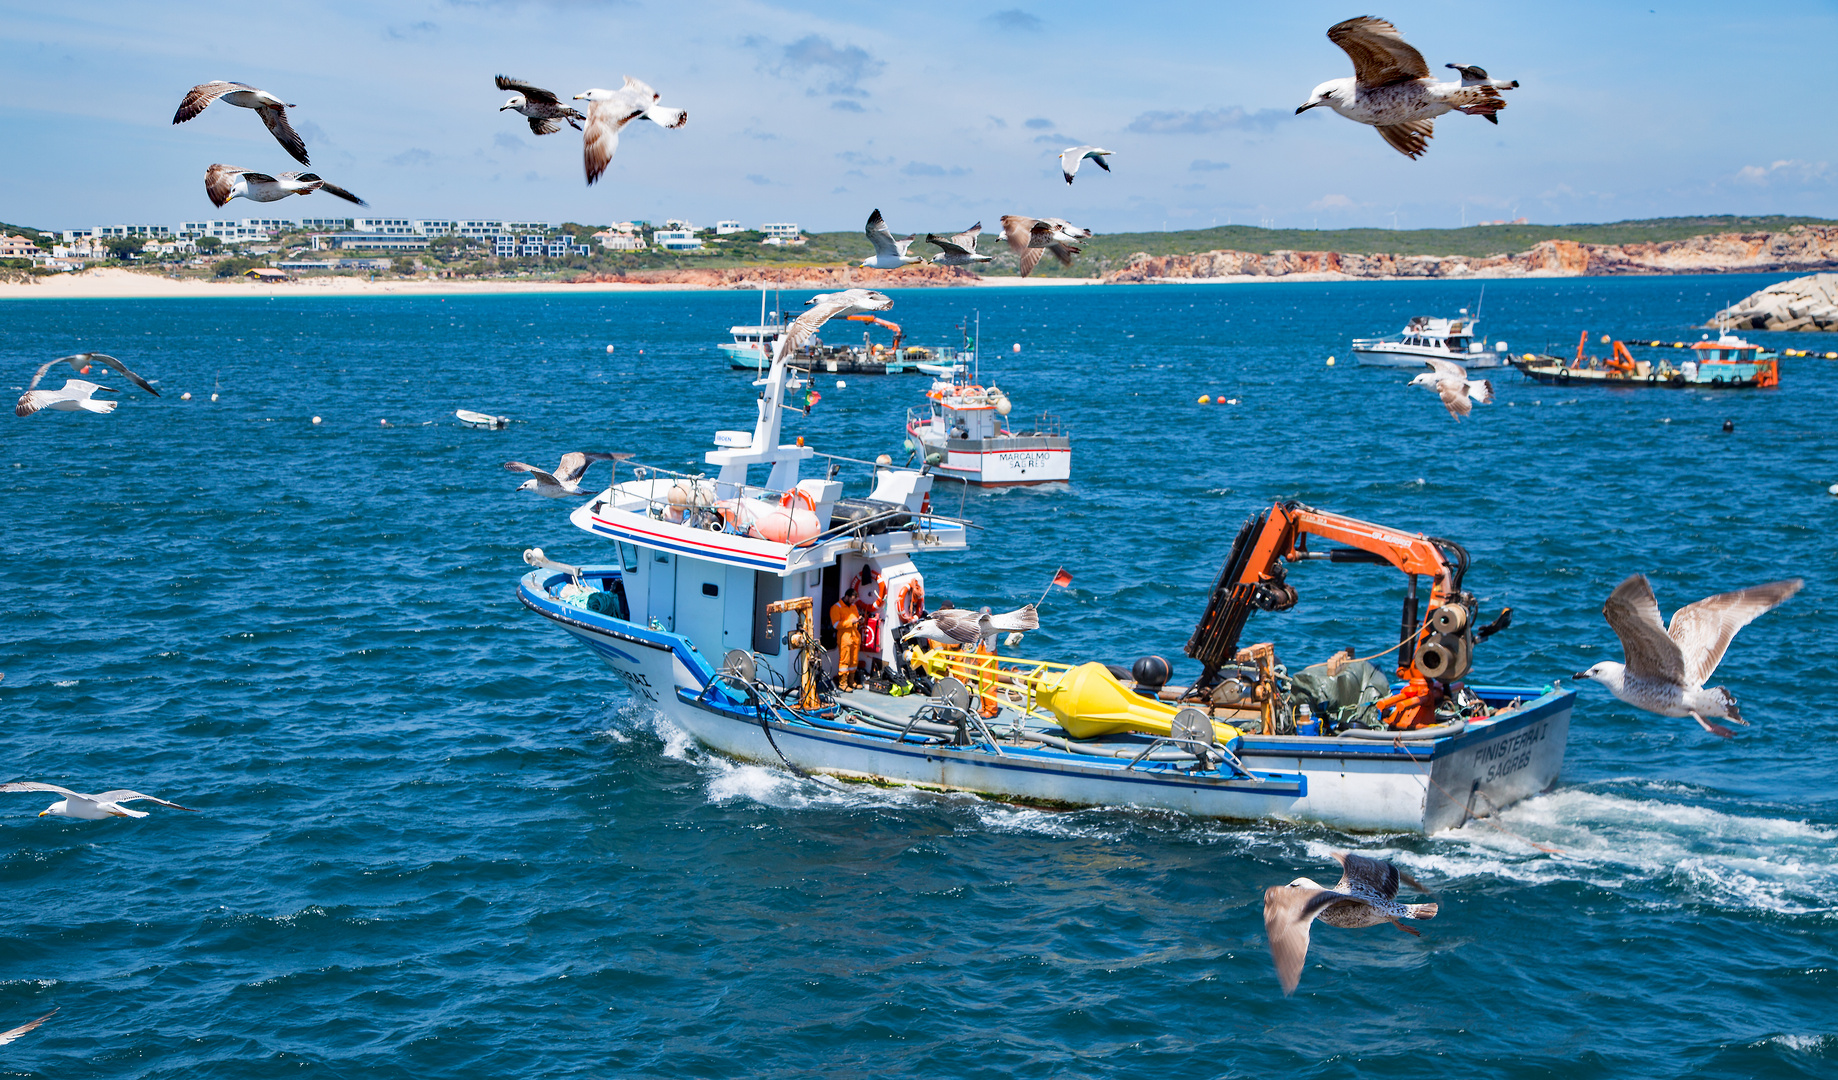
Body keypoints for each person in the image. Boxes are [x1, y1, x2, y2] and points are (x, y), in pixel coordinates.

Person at [829, 587, 863, 690]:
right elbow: (835, 624)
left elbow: (856, 618)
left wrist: (859, 620)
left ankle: (851, 682)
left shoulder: (853, 606)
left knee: (854, 661)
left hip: (854, 637)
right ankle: (842, 684)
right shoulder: (836, 607)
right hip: (845, 638)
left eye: (854, 600)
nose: (853, 602)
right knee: (844, 661)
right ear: (846, 596)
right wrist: (850, 622)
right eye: (852, 599)